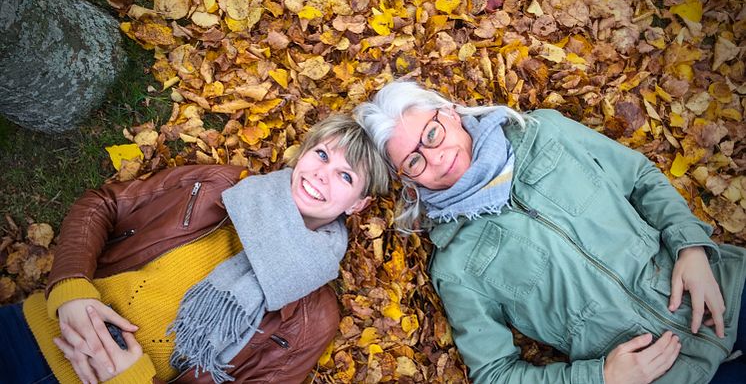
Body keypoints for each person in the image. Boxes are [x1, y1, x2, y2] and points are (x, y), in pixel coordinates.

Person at [354, 80, 746, 384]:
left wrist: (691, 248)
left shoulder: (546, 132)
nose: (435, 156)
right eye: (415, 160)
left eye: (432, 134)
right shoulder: (456, 265)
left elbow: (639, 178)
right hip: (667, 376)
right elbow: (495, 372)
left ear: (451, 113)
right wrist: (601, 378)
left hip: (725, 286)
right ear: (409, 182)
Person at [0, 114, 389, 384]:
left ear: (358, 204)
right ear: (303, 154)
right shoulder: (222, 186)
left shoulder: (312, 318)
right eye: (321, 154)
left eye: (345, 175)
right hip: (34, 330)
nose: (322, 174)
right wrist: (70, 288)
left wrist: (132, 379)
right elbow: (103, 204)